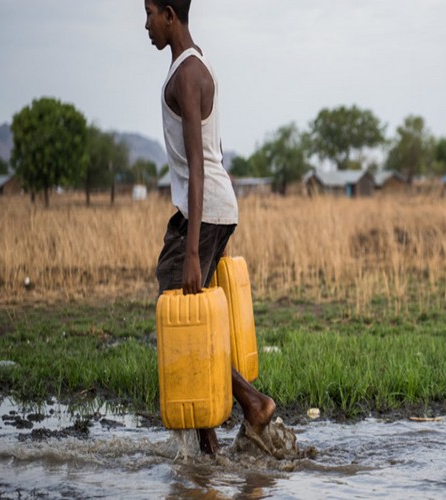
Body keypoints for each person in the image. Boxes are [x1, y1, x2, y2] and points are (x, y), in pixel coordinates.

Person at [144, 0, 276, 455]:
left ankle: (251, 405)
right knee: (190, 314)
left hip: (206, 209)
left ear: (169, 15)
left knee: (180, 309)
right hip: (213, 207)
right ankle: (209, 443)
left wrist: (196, 253)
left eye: (148, 13)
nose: (146, 25)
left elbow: (199, 163)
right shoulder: (202, 68)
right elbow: (215, 148)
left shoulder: (185, 74)